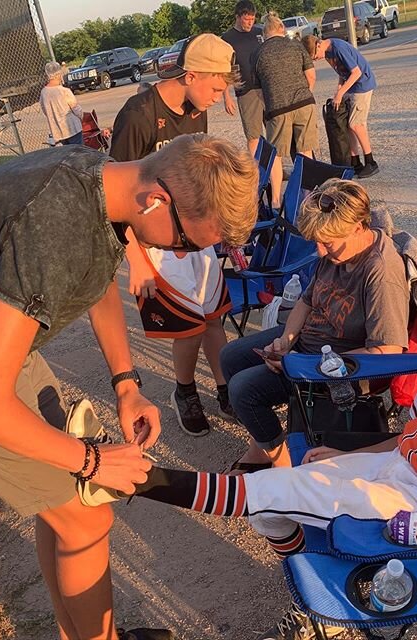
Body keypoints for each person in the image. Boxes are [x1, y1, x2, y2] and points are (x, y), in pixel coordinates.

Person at [131, 236, 417, 640]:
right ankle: (329, 594)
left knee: (266, 494)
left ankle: (138, 481)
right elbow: (414, 434)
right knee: (268, 511)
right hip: (398, 467)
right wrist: (350, 455)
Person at [0, 134, 258, 640]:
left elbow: (98, 274)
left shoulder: (104, 179)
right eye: (187, 242)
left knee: (62, 507)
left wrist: (126, 384)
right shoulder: (57, 225)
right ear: (157, 200)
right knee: (86, 517)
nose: (180, 253)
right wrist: (94, 460)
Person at [220, 179, 409, 471]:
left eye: (327, 243)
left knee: (244, 391)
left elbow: (389, 350)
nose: (320, 252)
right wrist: (286, 340)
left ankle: (283, 467)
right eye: (317, 242)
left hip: (338, 365)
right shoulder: (340, 249)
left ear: (359, 226)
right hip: (312, 342)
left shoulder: (381, 272)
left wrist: (303, 365)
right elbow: (306, 302)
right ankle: (263, 446)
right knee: (230, 357)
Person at [110, 34, 244, 437]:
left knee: (214, 317)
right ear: (191, 74)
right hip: (153, 241)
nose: (220, 97)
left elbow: (199, 179)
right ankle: (184, 391)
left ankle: (225, 390)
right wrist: (133, 258)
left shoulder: (194, 109)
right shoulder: (139, 113)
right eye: (216, 87)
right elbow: (114, 193)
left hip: (192, 236)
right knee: (188, 328)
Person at [252, 12, 318, 209]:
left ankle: (275, 200)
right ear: (282, 29)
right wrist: (305, 95)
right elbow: (311, 76)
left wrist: (271, 101)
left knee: (277, 156)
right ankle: (307, 195)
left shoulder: (258, 53)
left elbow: (257, 91)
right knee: (305, 151)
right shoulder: (296, 45)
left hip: (276, 110)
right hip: (304, 103)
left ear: (265, 33)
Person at [303, 35, 379, 178]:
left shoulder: (338, 48)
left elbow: (356, 72)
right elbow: (342, 73)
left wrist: (342, 92)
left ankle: (371, 161)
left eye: (314, 56)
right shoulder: (327, 53)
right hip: (351, 87)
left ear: (318, 45)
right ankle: (355, 162)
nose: (315, 59)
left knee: (356, 124)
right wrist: (338, 92)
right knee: (346, 124)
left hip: (362, 85)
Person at [222, 0, 265, 156]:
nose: (250, 23)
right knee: (254, 136)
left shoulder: (259, 32)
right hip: (246, 91)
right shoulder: (227, 38)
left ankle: (276, 170)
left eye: (253, 19)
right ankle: (257, 173)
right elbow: (224, 69)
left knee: (274, 132)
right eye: (247, 19)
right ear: (238, 17)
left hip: (267, 87)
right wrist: (226, 96)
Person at [40, 60, 84, 145]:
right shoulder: (64, 91)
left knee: (67, 153)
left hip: (58, 131)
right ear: (58, 74)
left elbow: (44, 110)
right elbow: (76, 109)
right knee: (79, 153)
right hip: (72, 128)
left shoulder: (44, 92)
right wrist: (81, 117)